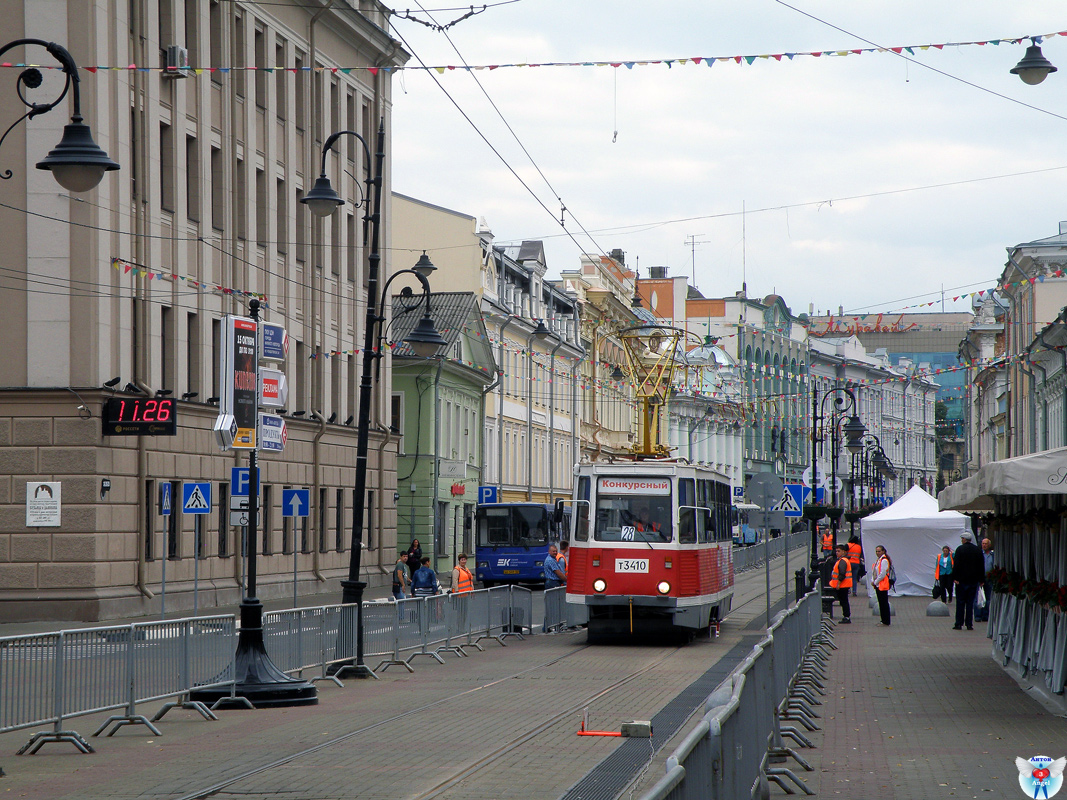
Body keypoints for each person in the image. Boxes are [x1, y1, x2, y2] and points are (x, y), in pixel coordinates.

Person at [952, 532, 985, 631]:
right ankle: (969, 624)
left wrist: (955, 578)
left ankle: (959, 623)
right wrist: (981, 579)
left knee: (960, 602)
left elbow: (956, 564)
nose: (961, 540)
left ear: (965, 539)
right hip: (973, 580)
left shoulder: (960, 549)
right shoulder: (977, 550)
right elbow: (981, 565)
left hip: (961, 580)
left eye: (962, 538)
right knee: (970, 603)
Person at [828, 543, 852, 624]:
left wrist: (838, 583)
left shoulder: (842, 561)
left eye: (839, 551)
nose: (837, 553)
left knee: (844, 601)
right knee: (844, 600)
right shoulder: (842, 560)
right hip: (844, 585)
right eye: (836, 551)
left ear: (844, 552)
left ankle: (846, 616)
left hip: (842, 585)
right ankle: (846, 616)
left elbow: (842, 573)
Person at [871, 545, 893, 626]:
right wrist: (873, 580)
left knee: (883, 603)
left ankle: (885, 621)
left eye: (879, 551)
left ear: (883, 551)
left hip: (882, 584)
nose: (877, 553)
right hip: (878, 584)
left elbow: (882, 573)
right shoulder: (879, 560)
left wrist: (875, 581)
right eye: (876, 551)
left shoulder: (884, 560)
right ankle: (883, 620)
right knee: (881, 603)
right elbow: (875, 571)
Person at [976, 537, 995, 622]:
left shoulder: (993, 555)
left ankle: (986, 615)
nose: (984, 545)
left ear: (989, 545)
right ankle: (978, 615)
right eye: (983, 544)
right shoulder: (979, 554)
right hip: (980, 577)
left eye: (986, 544)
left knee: (988, 598)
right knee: (979, 597)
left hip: (989, 578)